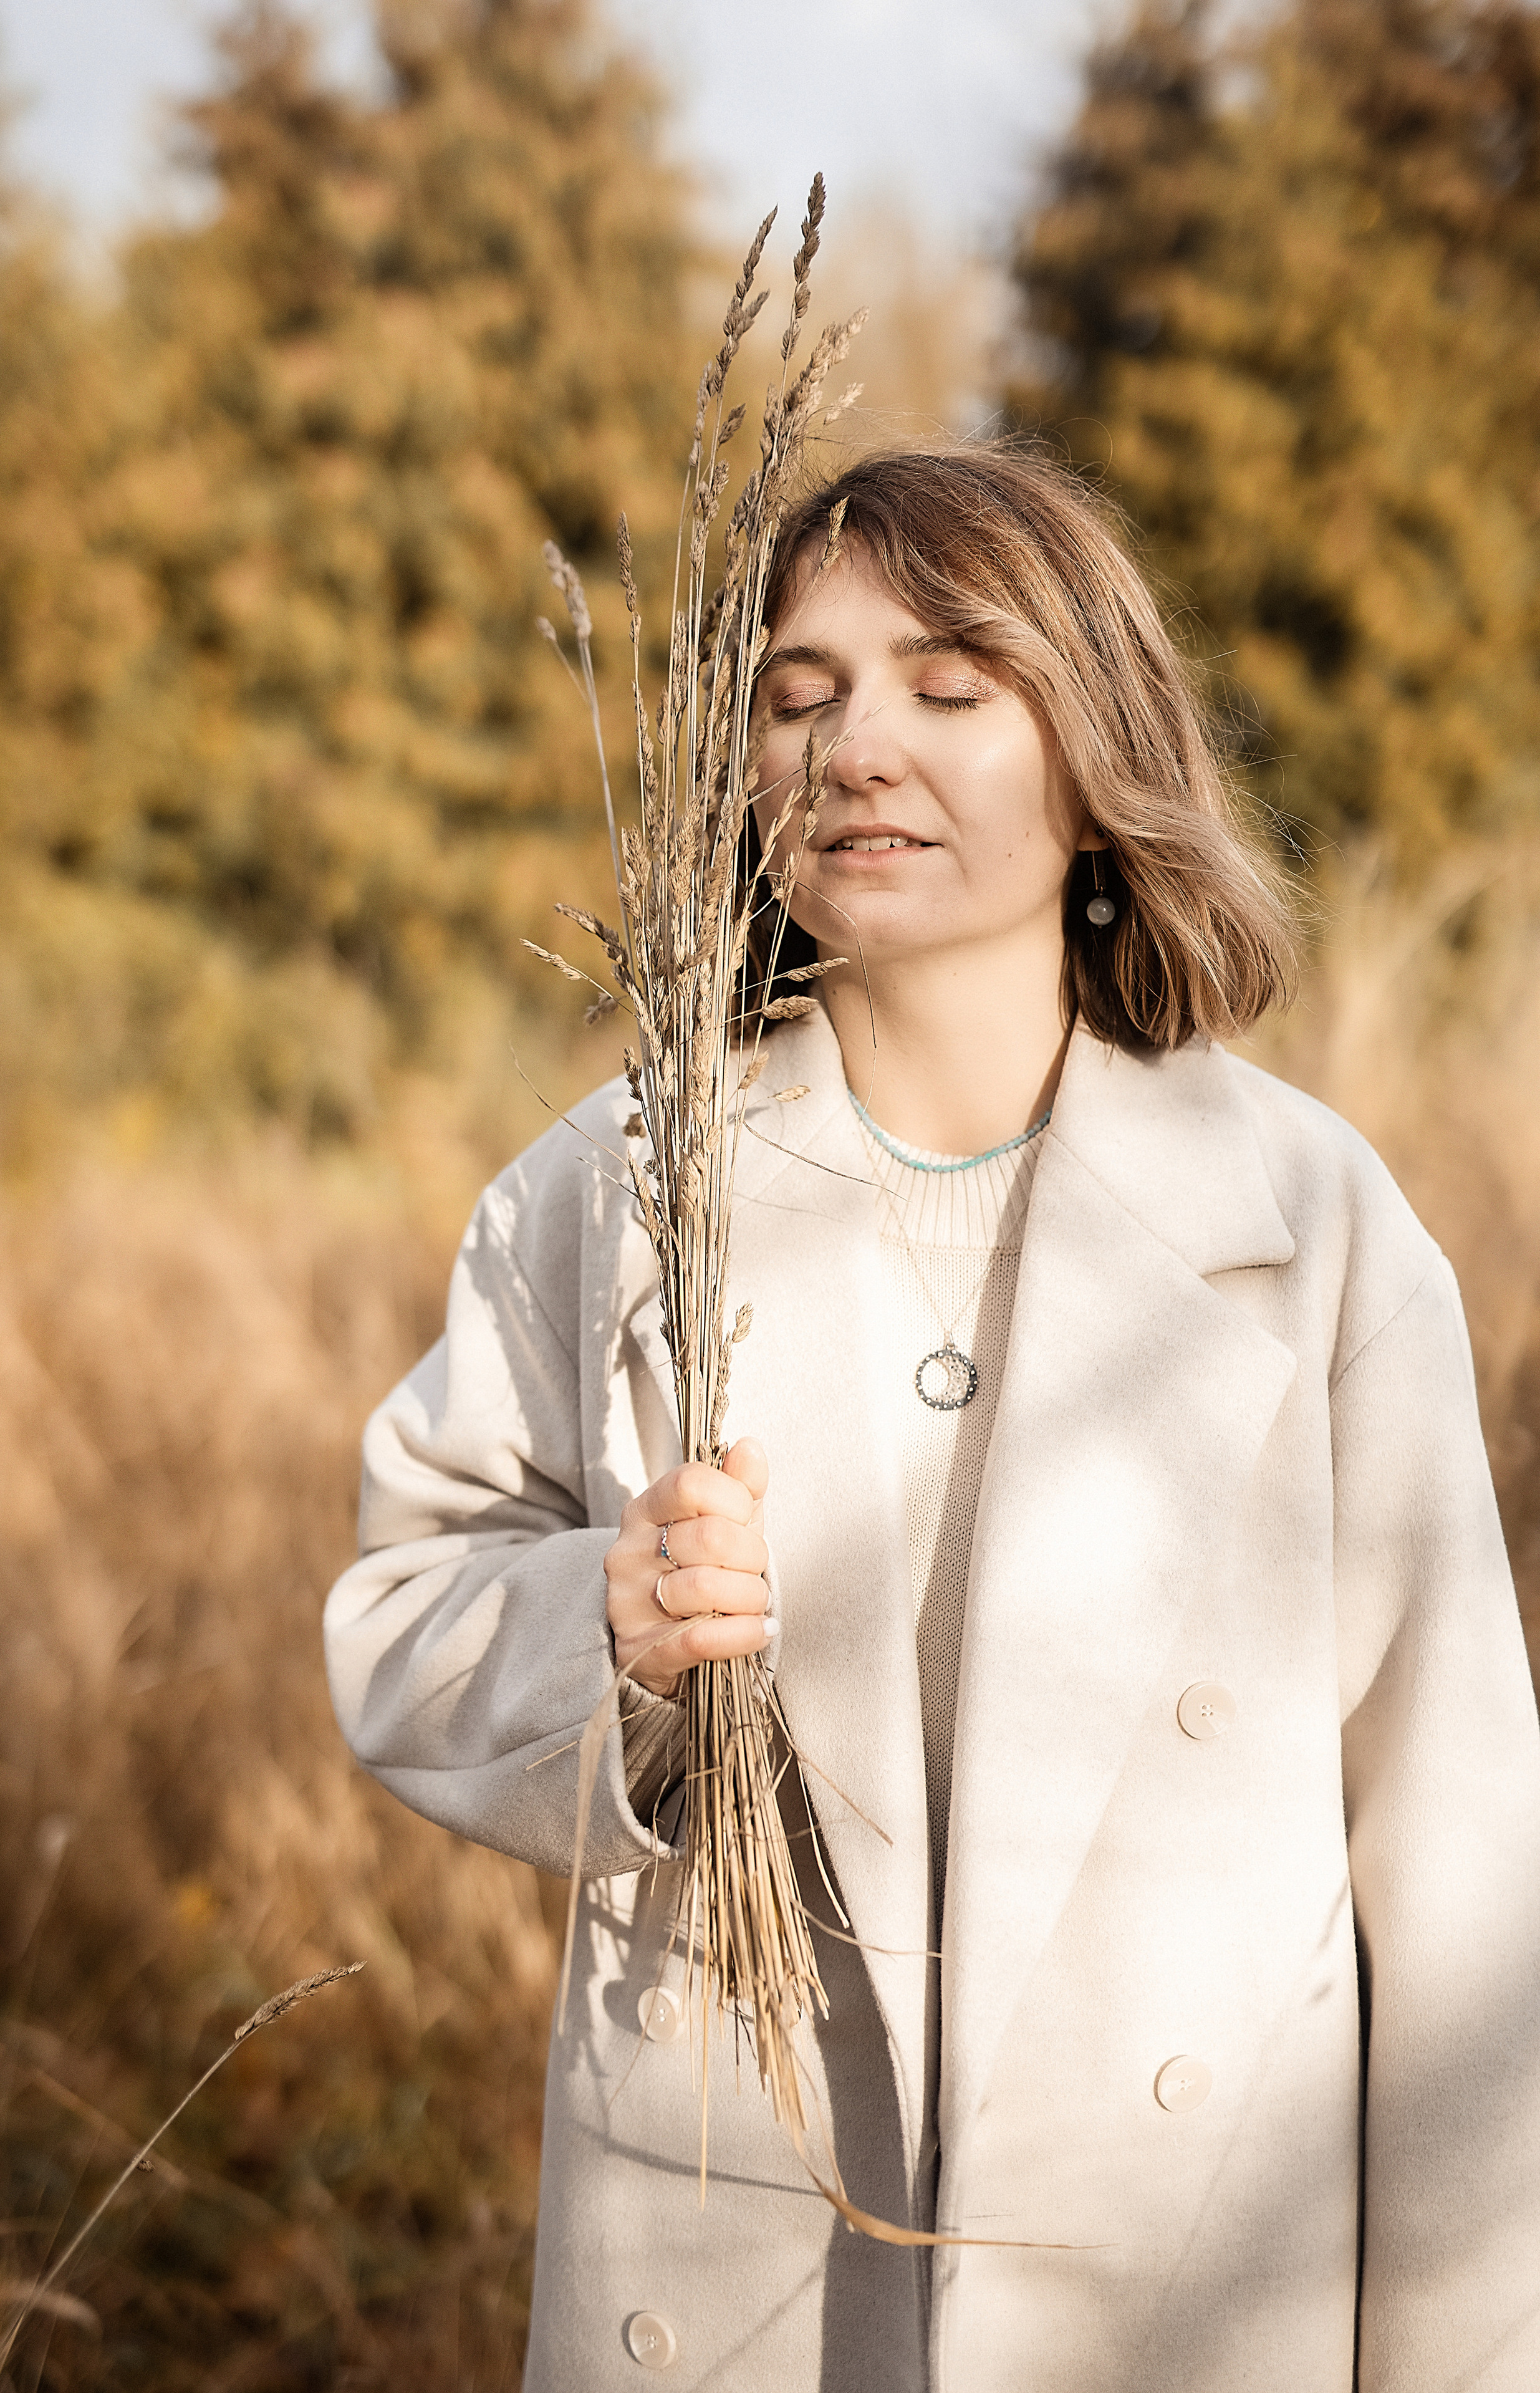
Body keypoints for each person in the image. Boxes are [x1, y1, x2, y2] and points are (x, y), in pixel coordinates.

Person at [322, 445, 1540, 2392]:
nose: (856, 746)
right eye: (799, 694)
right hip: (741, 2273)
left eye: (951, 687)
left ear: (1097, 760)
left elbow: (1467, 1881)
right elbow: (401, 1618)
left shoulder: (1314, 1229)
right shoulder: (620, 1186)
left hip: (1191, 2285)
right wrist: (604, 1632)